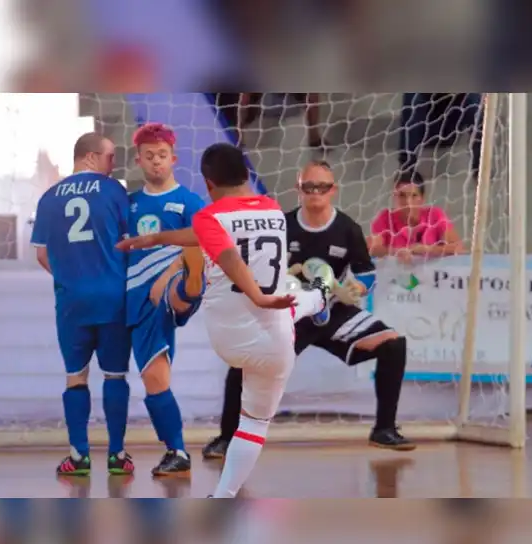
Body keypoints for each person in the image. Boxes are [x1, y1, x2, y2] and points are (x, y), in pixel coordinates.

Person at [119, 143, 333, 499]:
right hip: (276, 341)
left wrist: (257, 295)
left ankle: (314, 297)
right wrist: (157, 238)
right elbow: (215, 238)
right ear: (247, 175)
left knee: (283, 296)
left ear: (208, 183)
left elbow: (229, 254)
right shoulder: (275, 210)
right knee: (253, 423)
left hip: (228, 339)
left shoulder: (208, 217)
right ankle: (320, 295)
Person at [202, 160, 416, 460]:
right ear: (298, 189)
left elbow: (366, 272)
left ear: (333, 190)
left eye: (322, 187)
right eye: (309, 186)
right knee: (244, 362)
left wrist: (358, 288)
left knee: (393, 343)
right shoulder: (280, 224)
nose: (316, 192)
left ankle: (384, 429)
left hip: (332, 309)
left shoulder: (347, 228)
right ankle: (227, 437)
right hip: (289, 312)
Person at [30, 132, 133, 476]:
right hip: (113, 298)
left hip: (72, 301)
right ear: (89, 156)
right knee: (115, 375)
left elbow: (42, 253)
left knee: (76, 378)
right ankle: (117, 456)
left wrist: (69, 278)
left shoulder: (48, 198)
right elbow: (129, 240)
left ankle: (78, 457)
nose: (114, 164)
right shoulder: (114, 190)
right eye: (110, 156)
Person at [125, 123, 208, 477]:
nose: (156, 162)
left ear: (173, 158)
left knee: (185, 273)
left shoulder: (189, 202)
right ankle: (176, 452)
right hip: (136, 298)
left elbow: (202, 245)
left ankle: (187, 284)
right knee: (155, 380)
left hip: (168, 286)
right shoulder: (129, 205)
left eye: (162, 156)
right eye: (149, 156)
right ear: (139, 160)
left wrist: (169, 272)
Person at [367, 170, 466, 263]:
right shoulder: (385, 218)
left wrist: (426, 249)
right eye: (402, 195)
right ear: (394, 197)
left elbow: (458, 248)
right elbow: (371, 248)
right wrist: (396, 252)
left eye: (414, 196)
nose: (407, 202)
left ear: (422, 199)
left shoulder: (435, 215)